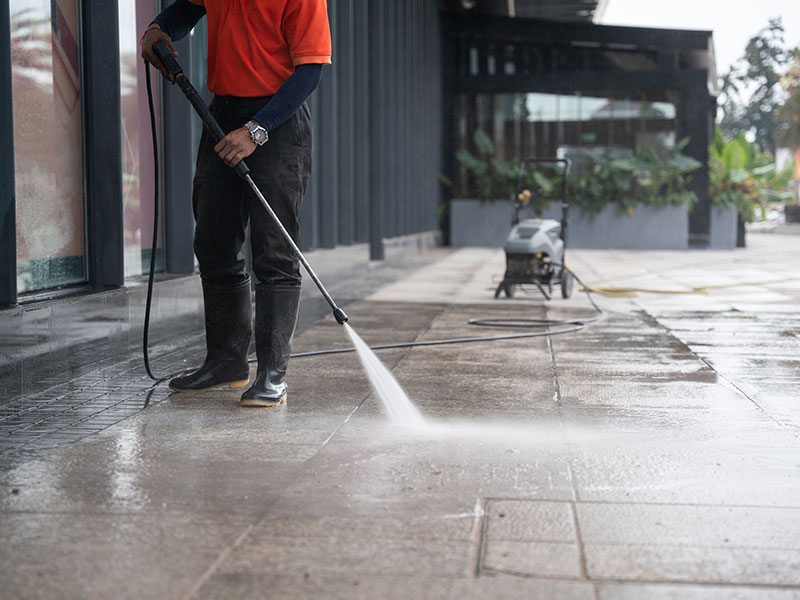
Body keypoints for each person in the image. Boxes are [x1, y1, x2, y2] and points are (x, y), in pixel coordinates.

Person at [140, 0, 331, 407]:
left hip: (277, 121)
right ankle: (226, 363)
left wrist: (255, 131)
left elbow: (309, 71)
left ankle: (272, 375)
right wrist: (157, 28)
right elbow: (186, 12)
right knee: (213, 238)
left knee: (274, 249)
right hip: (221, 112)